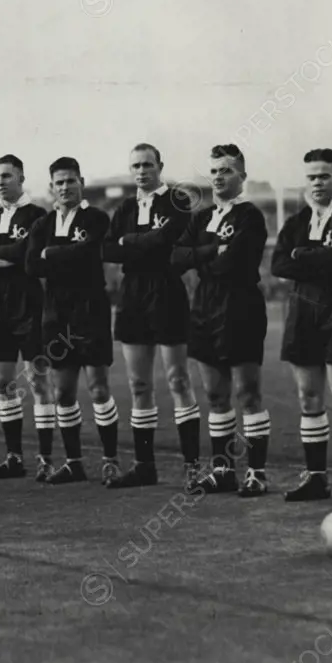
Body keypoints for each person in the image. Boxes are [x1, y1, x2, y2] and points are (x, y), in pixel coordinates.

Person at [171, 144, 272, 497]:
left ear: (242, 177)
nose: (218, 177)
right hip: (204, 307)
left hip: (240, 306)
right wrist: (212, 251)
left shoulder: (250, 216)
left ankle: (257, 473)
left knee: (247, 392)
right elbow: (175, 257)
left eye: (226, 170)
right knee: (215, 394)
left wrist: (200, 258)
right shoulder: (200, 218)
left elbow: (235, 265)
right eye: (214, 171)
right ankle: (222, 471)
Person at [102, 143, 200, 490]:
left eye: (147, 164)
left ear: (160, 165)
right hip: (133, 294)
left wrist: (130, 242)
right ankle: (145, 467)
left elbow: (168, 239)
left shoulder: (177, 201)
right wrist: (143, 241)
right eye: (135, 166)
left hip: (167, 291)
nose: (141, 171)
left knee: (177, 380)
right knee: (138, 384)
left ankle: (192, 466)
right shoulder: (126, 207)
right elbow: (107, 248)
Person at [270, 149, 332, 504]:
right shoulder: (295, 223)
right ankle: (315, 480)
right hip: (302, 311)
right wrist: (314, 256)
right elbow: (278, 264)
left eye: (324, 175)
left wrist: (301, 256)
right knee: (308, 397)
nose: (317, 182)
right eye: (311, 176)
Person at [25, 157, 117, 484]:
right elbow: (31, 266)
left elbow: (92, 252)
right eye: (59, 182)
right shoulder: (42, 225)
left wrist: (52, 254)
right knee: (63, 392)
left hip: (90, 308)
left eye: (70, 181)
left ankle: (109, 460)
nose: (65, 187)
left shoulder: (96, 218)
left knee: (98, 386)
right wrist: (65, 253)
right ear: (51, 187)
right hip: (56, 312)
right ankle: (74, 462)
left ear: (82, 181)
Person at [0, 155, 53, 481]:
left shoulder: (38, 216)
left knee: (37, 381)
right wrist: (3, 257)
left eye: (7, 175)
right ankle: (14, 457)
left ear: (21, 177)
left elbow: (27, 252)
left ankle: (45, 459)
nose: (1, 182)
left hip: (29, 305)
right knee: (4, 384)